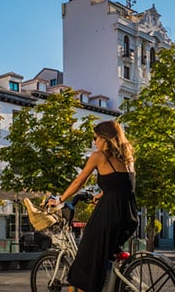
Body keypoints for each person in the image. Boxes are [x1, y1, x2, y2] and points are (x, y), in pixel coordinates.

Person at [48, 120, 138, 292]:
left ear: (105, 138)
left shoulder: (99, 157)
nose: (94, 142)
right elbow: (124, 185)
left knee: (85, 262)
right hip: (129, 215)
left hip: (109, 215)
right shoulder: (128, 158)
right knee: (103, 258)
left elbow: (79, 182)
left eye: (95, 137)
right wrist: (103, 194)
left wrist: (60, 200)